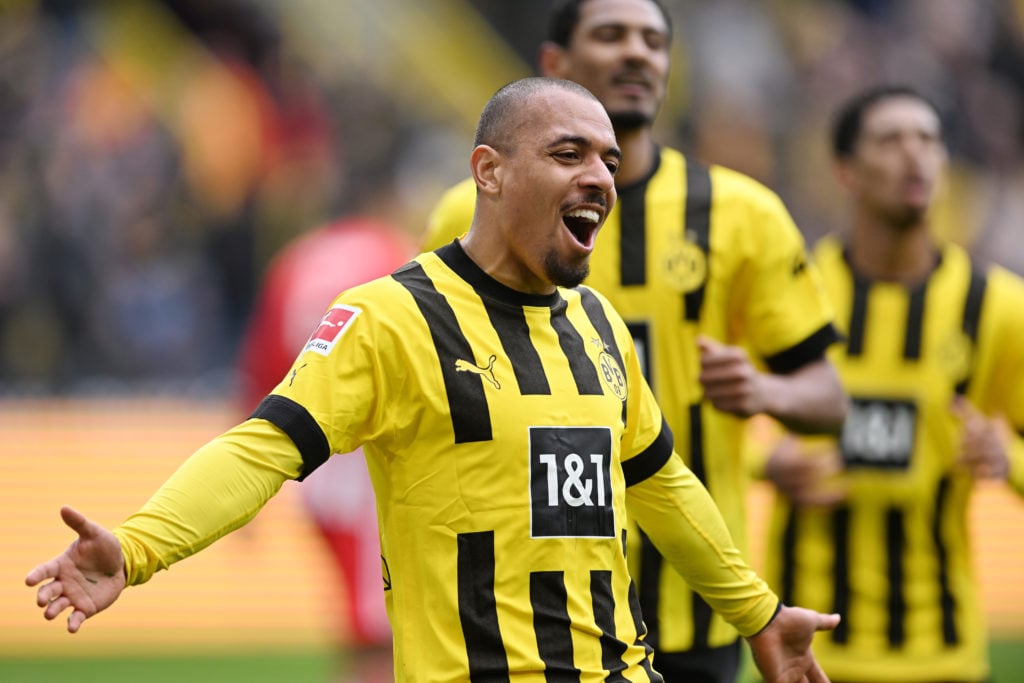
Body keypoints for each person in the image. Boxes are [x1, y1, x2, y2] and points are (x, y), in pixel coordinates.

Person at [26, 77, 839, 682]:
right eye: (568, 153)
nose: (600, 176)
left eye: (608, 160)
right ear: (487, 170)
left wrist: (757, 614)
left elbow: (661, 483)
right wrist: (135, 548)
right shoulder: (392, 317)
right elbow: (261, 449)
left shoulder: (595, 324)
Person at [421, 2, 848, 680]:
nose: (637, 54)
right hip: (535, 597)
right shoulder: (470, 213)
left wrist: (763, 390)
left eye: (654, 41)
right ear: (554, 64)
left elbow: (829, 396)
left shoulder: (743, 215)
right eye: (612, 35)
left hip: (692, 599)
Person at [760, 84, 1024, 683]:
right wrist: (764, 468)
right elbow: (706, 429)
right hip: (811, 655)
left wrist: (1006, 458)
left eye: (929, 140)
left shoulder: (998, 308)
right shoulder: (791, 291)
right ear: (846, 172)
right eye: (891, 139)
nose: (916, 155)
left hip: (942, 653)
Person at [236, 216, 413, 681]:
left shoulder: (294, 261)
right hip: (367, 463)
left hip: (314, 463)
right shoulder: (392, 253)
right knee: (385, 629)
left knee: (368, 622)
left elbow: (258, 371)